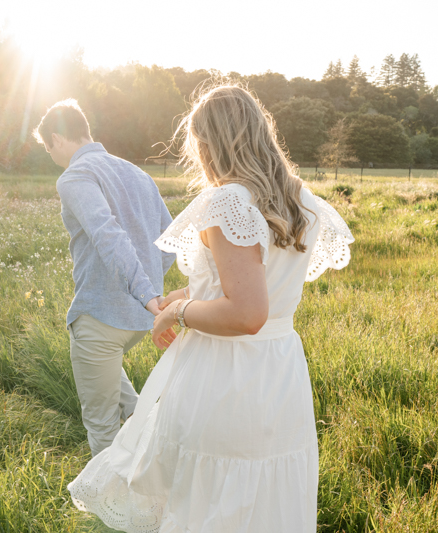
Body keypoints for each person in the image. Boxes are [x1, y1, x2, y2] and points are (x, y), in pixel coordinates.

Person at [68, 85, 354, 532]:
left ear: (208, 143)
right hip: (278, 375)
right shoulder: (303, 200)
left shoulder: (228, 200)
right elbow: (251, 288)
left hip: (226, 377)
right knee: (263, 501)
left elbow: (246, 313)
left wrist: (177, 315)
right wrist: (183, 298)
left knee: (208, 502)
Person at [33, 99, 176, 457]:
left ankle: (110, 511)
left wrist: (144, 292)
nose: (51, 155)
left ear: (56, 138)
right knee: (134, 408)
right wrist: (147, 293)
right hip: (138, 322)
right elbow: (171, 242)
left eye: (48, 148)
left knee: (102, 427)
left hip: (101, 321)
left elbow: (106, 233)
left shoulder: (75, 176)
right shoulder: (137, 173)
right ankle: (160, 473)